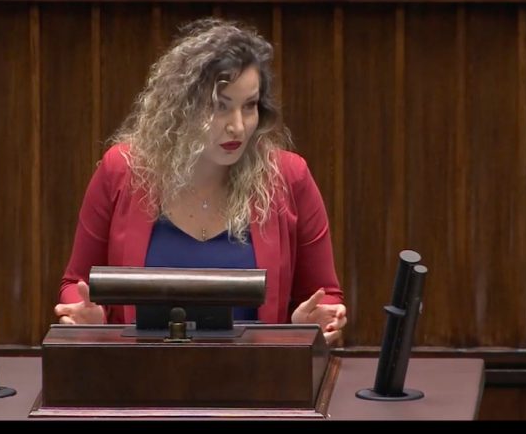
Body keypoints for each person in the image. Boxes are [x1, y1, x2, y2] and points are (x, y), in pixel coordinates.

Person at [55, 18, 346, 343]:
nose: (238, 126)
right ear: (181, 108)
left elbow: (324, 296)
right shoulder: (121, 169)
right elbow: (76, 284)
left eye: (249, 106)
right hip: (138, 370)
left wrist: (308, 325)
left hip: (254, 371)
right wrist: (89, 317)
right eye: (220, 107)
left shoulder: (289, 177)